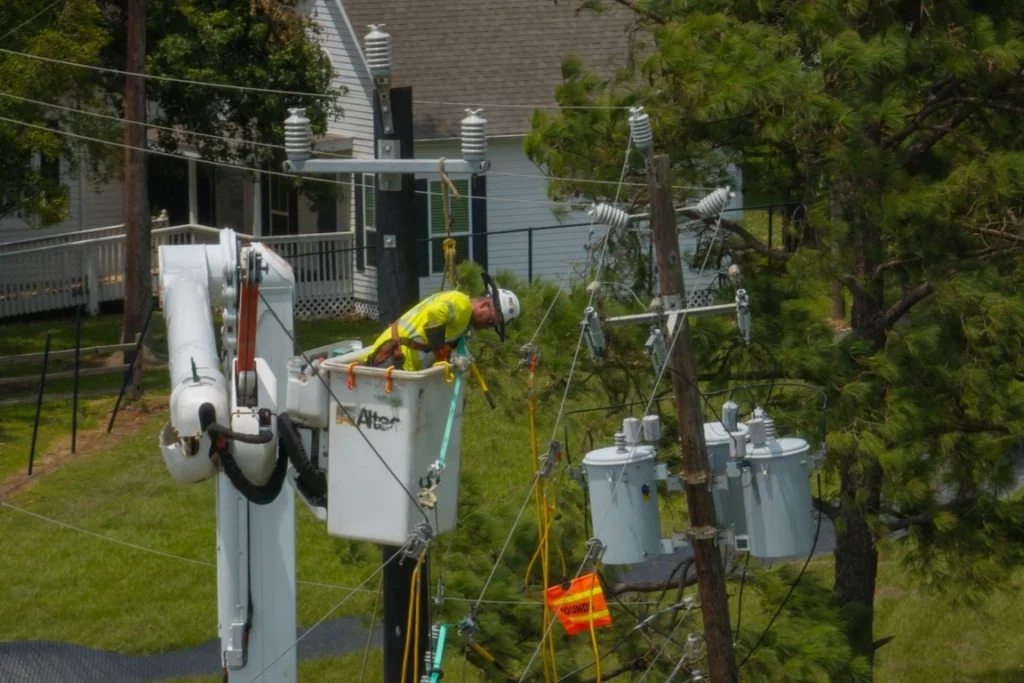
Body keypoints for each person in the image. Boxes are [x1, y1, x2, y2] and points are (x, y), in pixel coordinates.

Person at [361, 273, 520, 371]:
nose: (489, 325)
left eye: (493, 325)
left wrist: (458, 356)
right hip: (392, 357)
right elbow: (435, 313)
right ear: (484, 305)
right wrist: (441, 356)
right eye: (491, 320)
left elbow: (447, 337)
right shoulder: (462, 305)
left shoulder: (464, 318)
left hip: (401, 363)